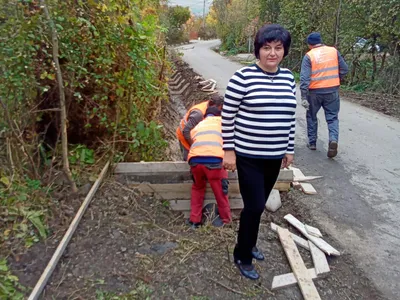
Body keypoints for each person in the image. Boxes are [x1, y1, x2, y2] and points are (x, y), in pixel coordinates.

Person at [222, 24, 296, 280]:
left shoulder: (288, 78)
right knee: (253, 206)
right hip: (249, 156)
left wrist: (289, 149)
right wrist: (228, 151)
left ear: (284, 51)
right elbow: (227, 117)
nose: (272, 53)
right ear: (258, 50)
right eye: (267, 48)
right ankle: (242, 254)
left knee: (259, 205)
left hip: (274, 157)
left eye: (278, 48)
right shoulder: (242, 78)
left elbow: (289, 118)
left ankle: (250, 243)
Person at [300, 32, 349, 158]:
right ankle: (333, 140)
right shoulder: (333, 51)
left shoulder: (309, 56)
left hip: (314, 92)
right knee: (332, 118)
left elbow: (305, 79)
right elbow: (344, 69)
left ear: (309, 44)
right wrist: (337, 79)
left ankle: (312, 143)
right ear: (321, 41)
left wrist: (304, 96)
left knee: (311, 116)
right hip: (332, 90)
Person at [187, 106, 232, 228]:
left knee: (197, 188)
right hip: (215, 162)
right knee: (220, 193)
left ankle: (194, 221)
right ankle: (226, 221)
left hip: (195, 161)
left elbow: (192, 138)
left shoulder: (198, 125)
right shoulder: (223, 123)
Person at [176, 93, 224, 161]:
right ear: (211, 104)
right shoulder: (199, 114)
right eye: (220, 108)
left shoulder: (209, 107)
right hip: (185, 138)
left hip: (195, 134)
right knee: (189, 161)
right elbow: (186, 131)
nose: (220, 111)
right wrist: (194, 146)